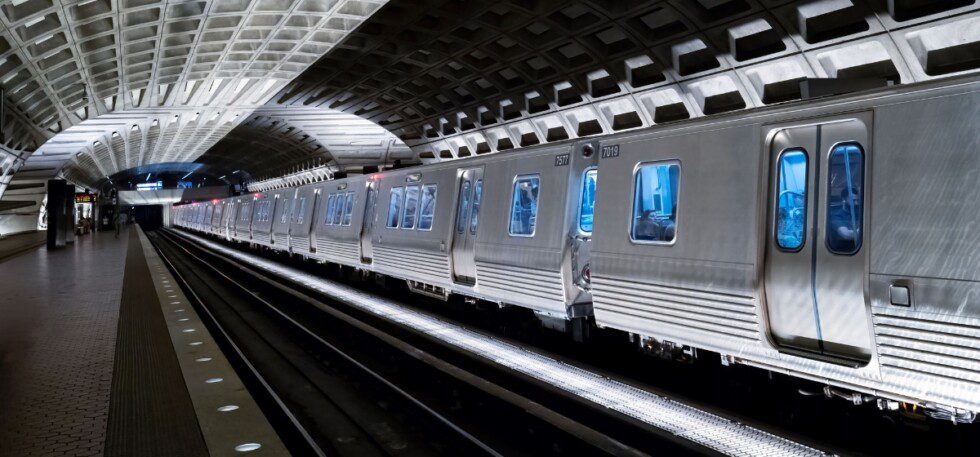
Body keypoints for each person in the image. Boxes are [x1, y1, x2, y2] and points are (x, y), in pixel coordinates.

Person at [827, 186, 861, 251]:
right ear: (844, 199)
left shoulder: (860, 213)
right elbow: (846, 234)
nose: (856, 203)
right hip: (843, 251)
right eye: (853, 200)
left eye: (858, 200)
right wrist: (863, 229)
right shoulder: (836, 216)